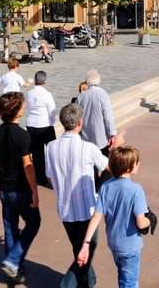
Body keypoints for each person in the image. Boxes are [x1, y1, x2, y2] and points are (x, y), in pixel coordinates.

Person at [46, 104, 121, 288]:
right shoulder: (88, 148)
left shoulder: (50, 148)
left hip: (65, 209)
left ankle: (89, 281)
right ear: (80, 123)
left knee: (79, 249)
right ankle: (67, 284)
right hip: (87, 209)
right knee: (86, 249)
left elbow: (49, 176)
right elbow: (111, 167)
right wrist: (115, 150)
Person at [77, 146, 153, 288]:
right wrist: (150, 220)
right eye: (137, 162)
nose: (139, 164)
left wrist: (85, 244)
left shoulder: (106, 186)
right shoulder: (136, 190)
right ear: (129, 168)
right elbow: (141, 223)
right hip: (130, 246)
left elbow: (96, 217)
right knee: (130, 282)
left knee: (123, 276)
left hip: (114, 243)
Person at [0, 92, 41, 283]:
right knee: (33, 223)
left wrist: (1, 178)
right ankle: (13, 261)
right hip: (20, 189)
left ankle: (14, 270)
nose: (24, 108)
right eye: (21, 106)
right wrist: (35, 190)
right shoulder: (22, 136)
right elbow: (27, 165)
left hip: (3, 187)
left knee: (10, 227)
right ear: (16, 111)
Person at [77, 69, 120, 158]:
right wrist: (112, 133)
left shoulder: (81, 96)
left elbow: (77, 116)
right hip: (101, 137)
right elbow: (108, 116)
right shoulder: (102, 94)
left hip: (86, 136)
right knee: (104, 162)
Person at [24, 70, 57, 187]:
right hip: (45, 125)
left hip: (32, 124)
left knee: (37, 154)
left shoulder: (29, 93)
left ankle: (40, 177)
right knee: (53, 151)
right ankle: (55, 175)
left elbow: (26, 106)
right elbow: (52, 110)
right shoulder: (47, 94)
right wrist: (52, 122)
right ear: (45, 81)